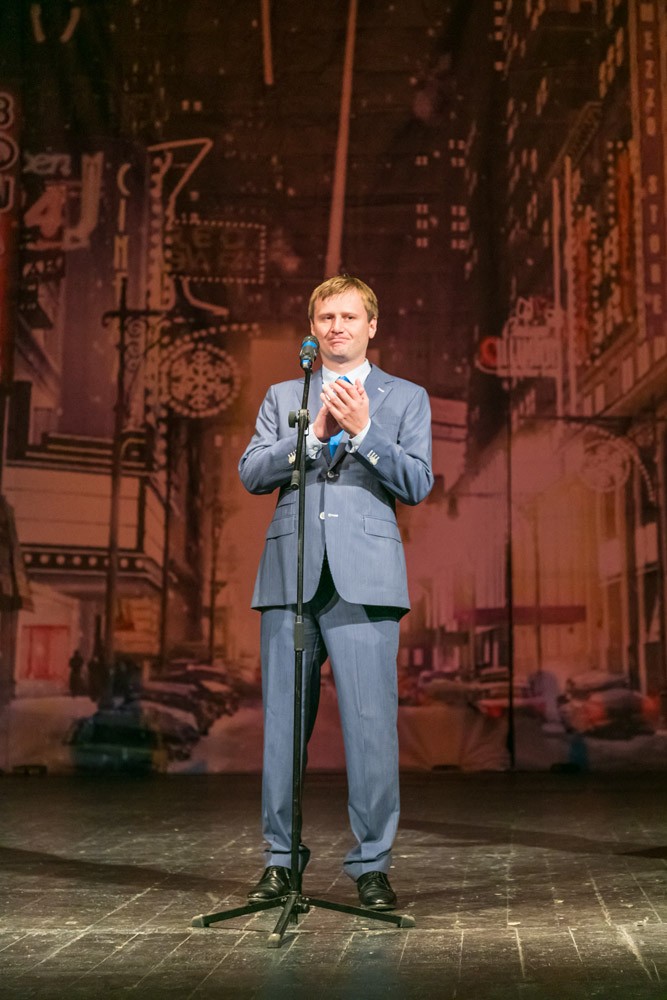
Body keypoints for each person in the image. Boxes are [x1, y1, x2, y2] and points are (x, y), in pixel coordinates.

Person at [238, 274, 433, 911]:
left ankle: (372, 866)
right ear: (313, 328)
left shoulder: (406, 397)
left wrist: (366, 432)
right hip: (291, 578)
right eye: (326, 317)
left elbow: (418, 483)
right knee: (282, 730)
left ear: (372, 326)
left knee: (372, 730)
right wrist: (313, 436)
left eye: (349, 317)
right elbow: (251, 472)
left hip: (366, 580)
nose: (337, 327)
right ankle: (279, 862)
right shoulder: (283, 394)